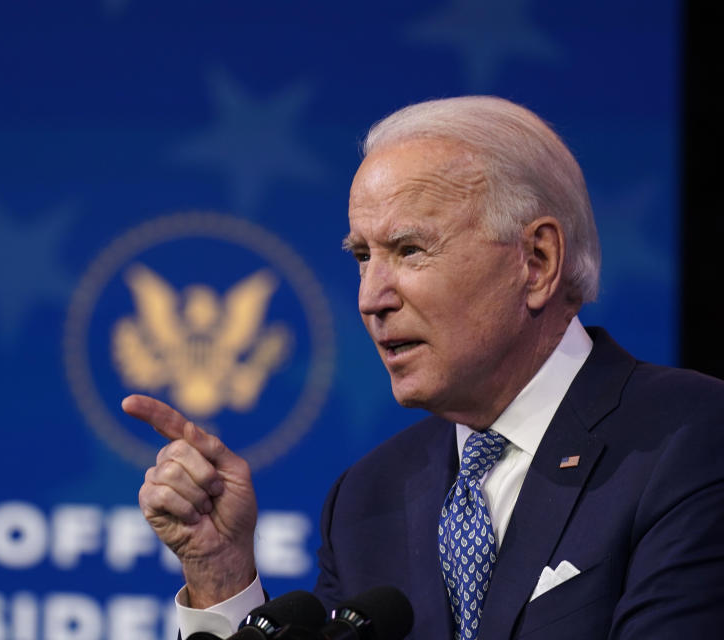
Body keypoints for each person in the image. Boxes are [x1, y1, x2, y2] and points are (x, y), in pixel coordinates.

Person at [122, 96, 724, 639]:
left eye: (409, 251)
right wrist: (221, 573)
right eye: (362, 256)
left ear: (536, 262)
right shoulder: (368, 497)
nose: (370, 297)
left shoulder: (689, 437)